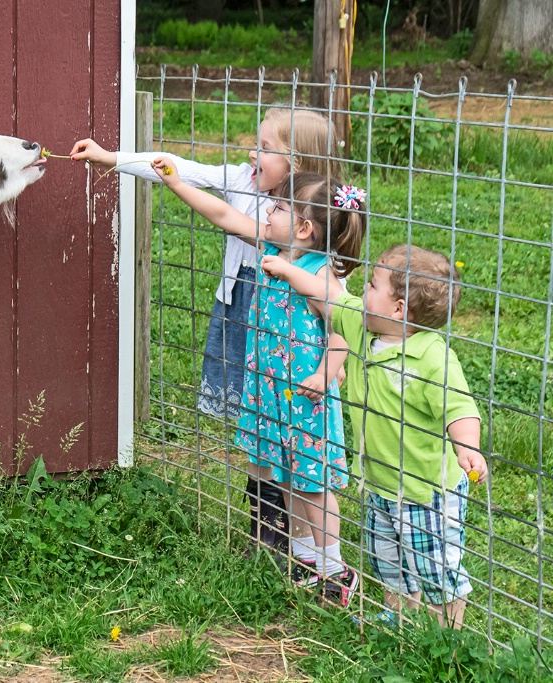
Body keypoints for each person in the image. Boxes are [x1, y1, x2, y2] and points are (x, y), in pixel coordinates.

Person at [70, 109, 344, 556]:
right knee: (257, 420)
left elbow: (338, 311)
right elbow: (179, 169)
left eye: (266, 149)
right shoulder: (243, 180)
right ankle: (268, 529)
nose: (252, 153)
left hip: (295, 338)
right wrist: (111, 158)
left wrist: (335, 358)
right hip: (249, 314)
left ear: (296, 165)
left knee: (290, 436)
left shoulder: (312, 228)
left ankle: (298, 542)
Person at [149, 163, 364, 606]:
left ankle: (336, 569)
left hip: (307, 398)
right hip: (270, 392)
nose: (268, 210)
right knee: (286, 477)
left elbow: (344, 323)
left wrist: (327, 372)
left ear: (304, 228)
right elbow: (225, 217)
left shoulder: (319, 272)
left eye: (279, 207)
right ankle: (306, 559)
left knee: (312, 483)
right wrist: (175, 182)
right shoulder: (275, 249)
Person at [262, 241, 489, 629]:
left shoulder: (432, 357)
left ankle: (445, 639)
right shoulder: (362, 328)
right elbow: (326, 294)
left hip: (428, 492)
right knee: (388, 560)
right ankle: (399, 620)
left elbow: (460, 408)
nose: (361, 291)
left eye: (371, 286)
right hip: (382, 484)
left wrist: (467, 447)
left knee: (437, 569)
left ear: (398, 309)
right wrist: (287, 271)